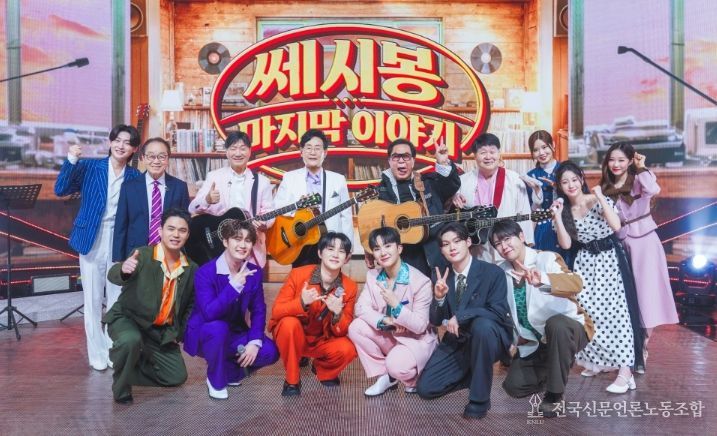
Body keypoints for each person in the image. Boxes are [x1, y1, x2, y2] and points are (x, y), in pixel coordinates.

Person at [54, 124, 141, 371]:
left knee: (116, 298)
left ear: (134, 149)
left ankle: (113, 349)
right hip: (91, 237)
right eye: (117, 140)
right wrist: (71, 160)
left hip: (120, 239)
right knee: (92, 299)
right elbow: (60, 189)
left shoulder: (135, 176)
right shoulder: (91, 167)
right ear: (110, 142)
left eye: (127, 142)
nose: (121, 145)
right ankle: (96, 353)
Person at [552, 161, 644, 393]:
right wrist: (557, 217)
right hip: (585, 263)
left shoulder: (596, 199)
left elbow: (616, 226)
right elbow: (566, 244)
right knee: (589, 314)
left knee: (616, 314)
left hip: (609, 261)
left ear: (581, 179)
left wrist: (601, 197)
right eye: (565, 182)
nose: (571, 185)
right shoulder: (565, 210)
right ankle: (597, 362)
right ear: (560, 186)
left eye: (574, 179)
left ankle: (625, 371)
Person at [489, 220, 592, 418]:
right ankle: (557, 366)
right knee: (514, 386)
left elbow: (575, 283)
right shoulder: (501, 272)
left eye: (507, 239)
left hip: (568, 329)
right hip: (536, 341)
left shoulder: (545, 258)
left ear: (521, 236)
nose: (504, 246)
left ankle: (555, 395)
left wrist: (543, 280)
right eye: (498, 243)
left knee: (557, 324)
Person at [416, 222, 512, 420]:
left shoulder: (492, 272)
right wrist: (439, 298)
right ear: (441, 250)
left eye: (457, 241)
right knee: (426, 388)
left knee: (482, 326)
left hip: (490, 338)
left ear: (468, 242)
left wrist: (461, 316)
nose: (452, 247)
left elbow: (497, 312)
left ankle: (479, 400)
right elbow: (435, 320)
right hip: (459, 340)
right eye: (445, 244)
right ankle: (476, 373)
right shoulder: (442, 276)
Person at [103, 209, 197, 404]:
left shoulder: (191, 268)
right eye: (171, 229)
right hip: (128, 319)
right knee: (130, 340)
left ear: (188, 235)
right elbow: (114, 274)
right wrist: (123, 269)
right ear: (160, 231)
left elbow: (189, 305)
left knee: (176, 377)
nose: (176, 234)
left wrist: (178, 333)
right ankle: (121, 389)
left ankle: (128, 367)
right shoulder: (143, 255)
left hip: (158, 331)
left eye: (182, 230)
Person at [599, 143, 678, 372]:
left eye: (621, 160)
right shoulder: (605, 187)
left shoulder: (641, 179)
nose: (616, 164)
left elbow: (653, 189)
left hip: (645, 242)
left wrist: (642, 167)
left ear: (630, 161)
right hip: (619, 243)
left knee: (647, 297)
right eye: (612, 160)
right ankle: (624, 349)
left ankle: (642, 347)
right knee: (624, 299)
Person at [183, 219, 279, 399]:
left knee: (270, 352)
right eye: (237, 239)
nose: (242, 245)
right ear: (225, 242)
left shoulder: (253, 272)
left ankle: (230, 371)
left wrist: (254, 342)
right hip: (206, 332)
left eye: (248, 240)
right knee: (218, 328)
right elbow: (209, 313)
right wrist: (233, 287)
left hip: (234, 332)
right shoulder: (205, 272)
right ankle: (215, 379)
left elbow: (258, 310)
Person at [348, 227, 437, 396]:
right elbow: (360, 308)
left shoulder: (420, 281)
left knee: (396, 366)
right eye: (377, 248)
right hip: (392, 335)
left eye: (388, 246)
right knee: (356, 327)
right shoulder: (373, 276)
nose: (383, 252)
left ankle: (412, 377)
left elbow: (420, 325)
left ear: (399, 248)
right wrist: (386, 320)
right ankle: (386, 376)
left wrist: (397, 306)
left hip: (415, 339)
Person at [268, 232, 358, 396]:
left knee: (348, 348)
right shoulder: (298, 275)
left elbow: (343, 331)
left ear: (347, 258)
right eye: (330, 249)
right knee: (288, 324)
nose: (335, 254)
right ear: (320, 253)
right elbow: (276, 312)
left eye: (341, 251)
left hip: (322, 341)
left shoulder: (349, 287)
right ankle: (292, 380)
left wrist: (337, 313)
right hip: (295, 337)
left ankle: (322, 368)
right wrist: (301, 302)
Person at [373, 138, 460, 276]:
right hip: (402, 262)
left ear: (413, 161)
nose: (401, 161)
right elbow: (371, 226)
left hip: (436, 256)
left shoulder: (428, 183)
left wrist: (443, 163)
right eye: (396, 157)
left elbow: (450, 186)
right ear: (389, 161)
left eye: (406, 156)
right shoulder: (379, 192)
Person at [188, 130, 274, 266]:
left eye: (242, 148)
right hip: (218, 246)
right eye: (233, 148)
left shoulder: (263, 182)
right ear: (227, 152)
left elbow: (269, 212)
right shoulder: (214, 176)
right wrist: (207, 200)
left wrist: (264, 223)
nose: (238, 153)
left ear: (250, 151)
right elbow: (192, 208)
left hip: (249, 248)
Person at [273, 129, 353, 267]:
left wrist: (349, 246)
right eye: (308, 148)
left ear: (325, 153)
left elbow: (345, 216)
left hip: (330, 243)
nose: (312, 152)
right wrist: (298, 207)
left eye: (317, 148)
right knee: (301, 279)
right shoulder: (289, 178)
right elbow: (277, 208)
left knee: (330, 279)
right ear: (301, 152)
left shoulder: (338, 180)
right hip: (301, 241)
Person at [453, 133, 533, 263]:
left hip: (508, 249)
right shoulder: (462, 182)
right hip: (477, 250)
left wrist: (527, 244)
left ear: (499, 154)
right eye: (483, 152)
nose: (488, 157)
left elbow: (524, 213)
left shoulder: (514, 179)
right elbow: (456, 217)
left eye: (492, 152)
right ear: (475, 156)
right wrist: (454, 199)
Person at [113, 137, 190, 262]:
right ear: (143, 158)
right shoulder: (129, 187)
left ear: (168, 159)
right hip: (135, 253)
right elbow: (121, 225)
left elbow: (185, 224)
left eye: (162, 156)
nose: (156, 161)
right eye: (151, 156)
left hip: (170, 254)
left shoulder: (179, 187)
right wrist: (119, 259)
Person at [522, 130, 575, 266]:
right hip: (540, 229)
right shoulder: (530, 176)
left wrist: (558, 189)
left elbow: (578, 197)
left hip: (565, 225)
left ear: (553, 145)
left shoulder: (566, 170)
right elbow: (528, 209)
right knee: (542, 268)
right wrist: (536, 199)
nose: (541, 153)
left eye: (544, 147)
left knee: (565, 269)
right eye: (536, 150)